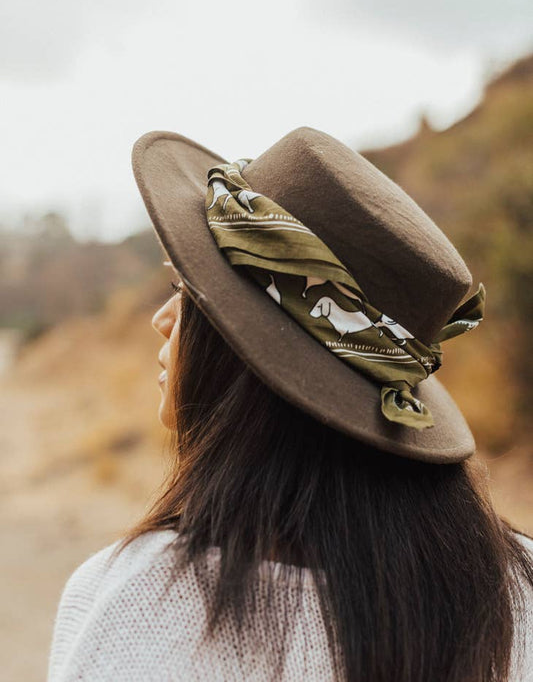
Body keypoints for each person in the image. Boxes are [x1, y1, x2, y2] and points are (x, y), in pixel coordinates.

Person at [47, 127, 533, 682]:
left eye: (187, 292)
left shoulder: (141, 602)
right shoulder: (516, 593)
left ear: (245, 353)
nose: (162, 319)